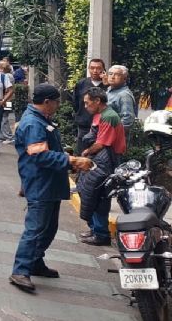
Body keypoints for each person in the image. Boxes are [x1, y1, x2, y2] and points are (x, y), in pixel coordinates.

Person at [10, 83, 94, 292]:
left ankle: (35, 262)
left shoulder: (41, 120)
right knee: (36, 229)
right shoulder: (33, 124)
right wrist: (71, 161)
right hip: (40, 183)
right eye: (56, 102)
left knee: (48, 228)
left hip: (49, 183)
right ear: (47, 102)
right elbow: (39, 155)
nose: (58, 106)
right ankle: (20, 270)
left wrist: (64, 154)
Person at [77, 87, 126, 246]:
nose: (86, 106)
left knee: (99, 196)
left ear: (97, 101)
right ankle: (95, 229)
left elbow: (101, 143)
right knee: (89, 193)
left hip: (107, 161)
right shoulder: (100, 115)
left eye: (87, 103)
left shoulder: (109, 117)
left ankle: (101, 234)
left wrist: (86, 152)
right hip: (99, 159)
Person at [73, 58, 106, 153]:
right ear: (88, 69)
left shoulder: (107, 85)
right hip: (84, 127)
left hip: (102, 128)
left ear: (103, 70)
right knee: (82, 155)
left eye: (98, 68)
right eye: (92, 68)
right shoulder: (81, 84)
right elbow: (75, 103)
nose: (95, 71)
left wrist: (107, 84)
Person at [106, 65, 136, 142]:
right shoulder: (109, 91)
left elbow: (127, 120)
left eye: (117, 74)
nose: (112, 77)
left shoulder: (124, 95)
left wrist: (112, 134)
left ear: (124, 78)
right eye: (110, 73)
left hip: (114, 139)